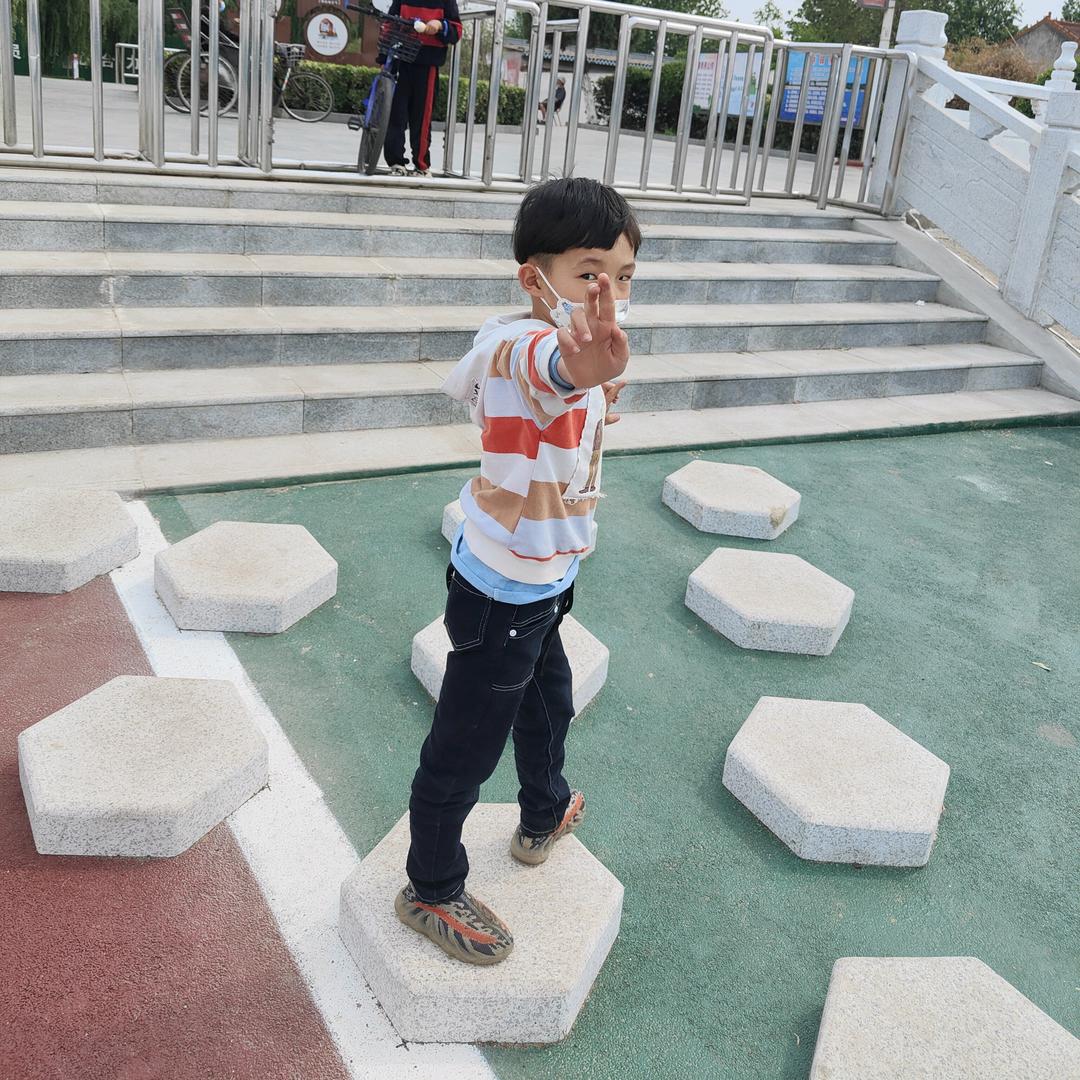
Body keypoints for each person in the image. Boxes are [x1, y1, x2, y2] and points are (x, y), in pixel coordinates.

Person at [394, 177, 640, 965]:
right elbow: (545, 372)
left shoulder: (578, 347)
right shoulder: (522, 349)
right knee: (463, 749)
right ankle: (429, 887)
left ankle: (542, 811)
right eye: (591, 274)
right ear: (533, 278)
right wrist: (579, 373)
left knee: (549, 702)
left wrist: (594, 376)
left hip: (546, 579)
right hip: (502, 590)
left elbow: (575, 395)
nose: (610, 294)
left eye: (625, 277)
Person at [382, 0, 461, 177]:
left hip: (427, 64)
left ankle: (421, 164)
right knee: (396, 113)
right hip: (400, 60)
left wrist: (440, 25)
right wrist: (384, 56)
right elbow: (389, 22)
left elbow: (457, 31)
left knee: (422, 117)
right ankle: (396, 162)